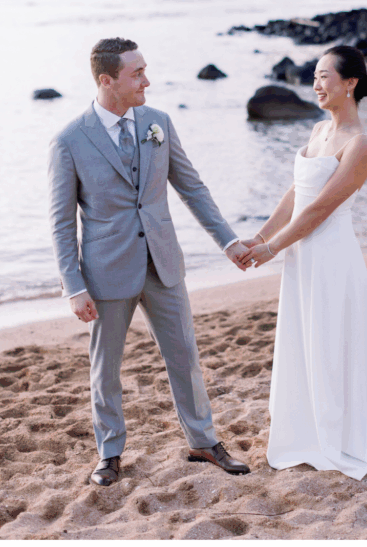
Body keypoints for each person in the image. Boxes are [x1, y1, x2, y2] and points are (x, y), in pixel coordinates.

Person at [48, 37, 251, 487]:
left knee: (185, 356)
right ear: (107, 80)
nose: (147, 80)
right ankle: (110, 452)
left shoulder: (158, 123)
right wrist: (73, 286)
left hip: (163, 263)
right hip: (106, 271)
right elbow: (62, 223)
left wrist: (228, 241)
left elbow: (192, 188)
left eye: (144, 70)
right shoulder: (69, 141)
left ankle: (203, 440)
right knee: (106, 369)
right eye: (136, 73)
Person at [239, 45, 367, 480]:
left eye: (324, 76)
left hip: (332, 256)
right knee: (302, 339)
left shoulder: (361, 145)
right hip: (302, 255)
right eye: (314, 77)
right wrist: (260, 236)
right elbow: (296, 194)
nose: (316, 85)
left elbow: (319, 210)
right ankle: (306, 431)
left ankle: (340, 435)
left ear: (349, 83)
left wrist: (272, 248)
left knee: (332, 343)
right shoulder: (317, 130)